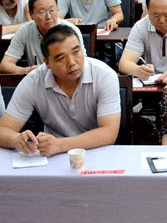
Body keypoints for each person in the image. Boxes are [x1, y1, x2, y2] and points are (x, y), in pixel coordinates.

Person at [0, 25, 119, 155]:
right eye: (61, 58)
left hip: (95, 150)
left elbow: (109, 133)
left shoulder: (104, 75)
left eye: (76, 52)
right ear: (47, 63)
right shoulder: (34, 81)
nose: (72, 63)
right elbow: (3, 130)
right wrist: (17, 139)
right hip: (52, 154)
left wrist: (60, 144)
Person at [1, 0, 83, 73]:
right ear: (31, 14)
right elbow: (5, 64)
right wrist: (27, 70)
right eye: (42, 12)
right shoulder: (24, 31)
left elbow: (83, 61)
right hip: (38, 79)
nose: (48, 17)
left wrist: (45, 70)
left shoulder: (71, 30)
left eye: (52, 10)